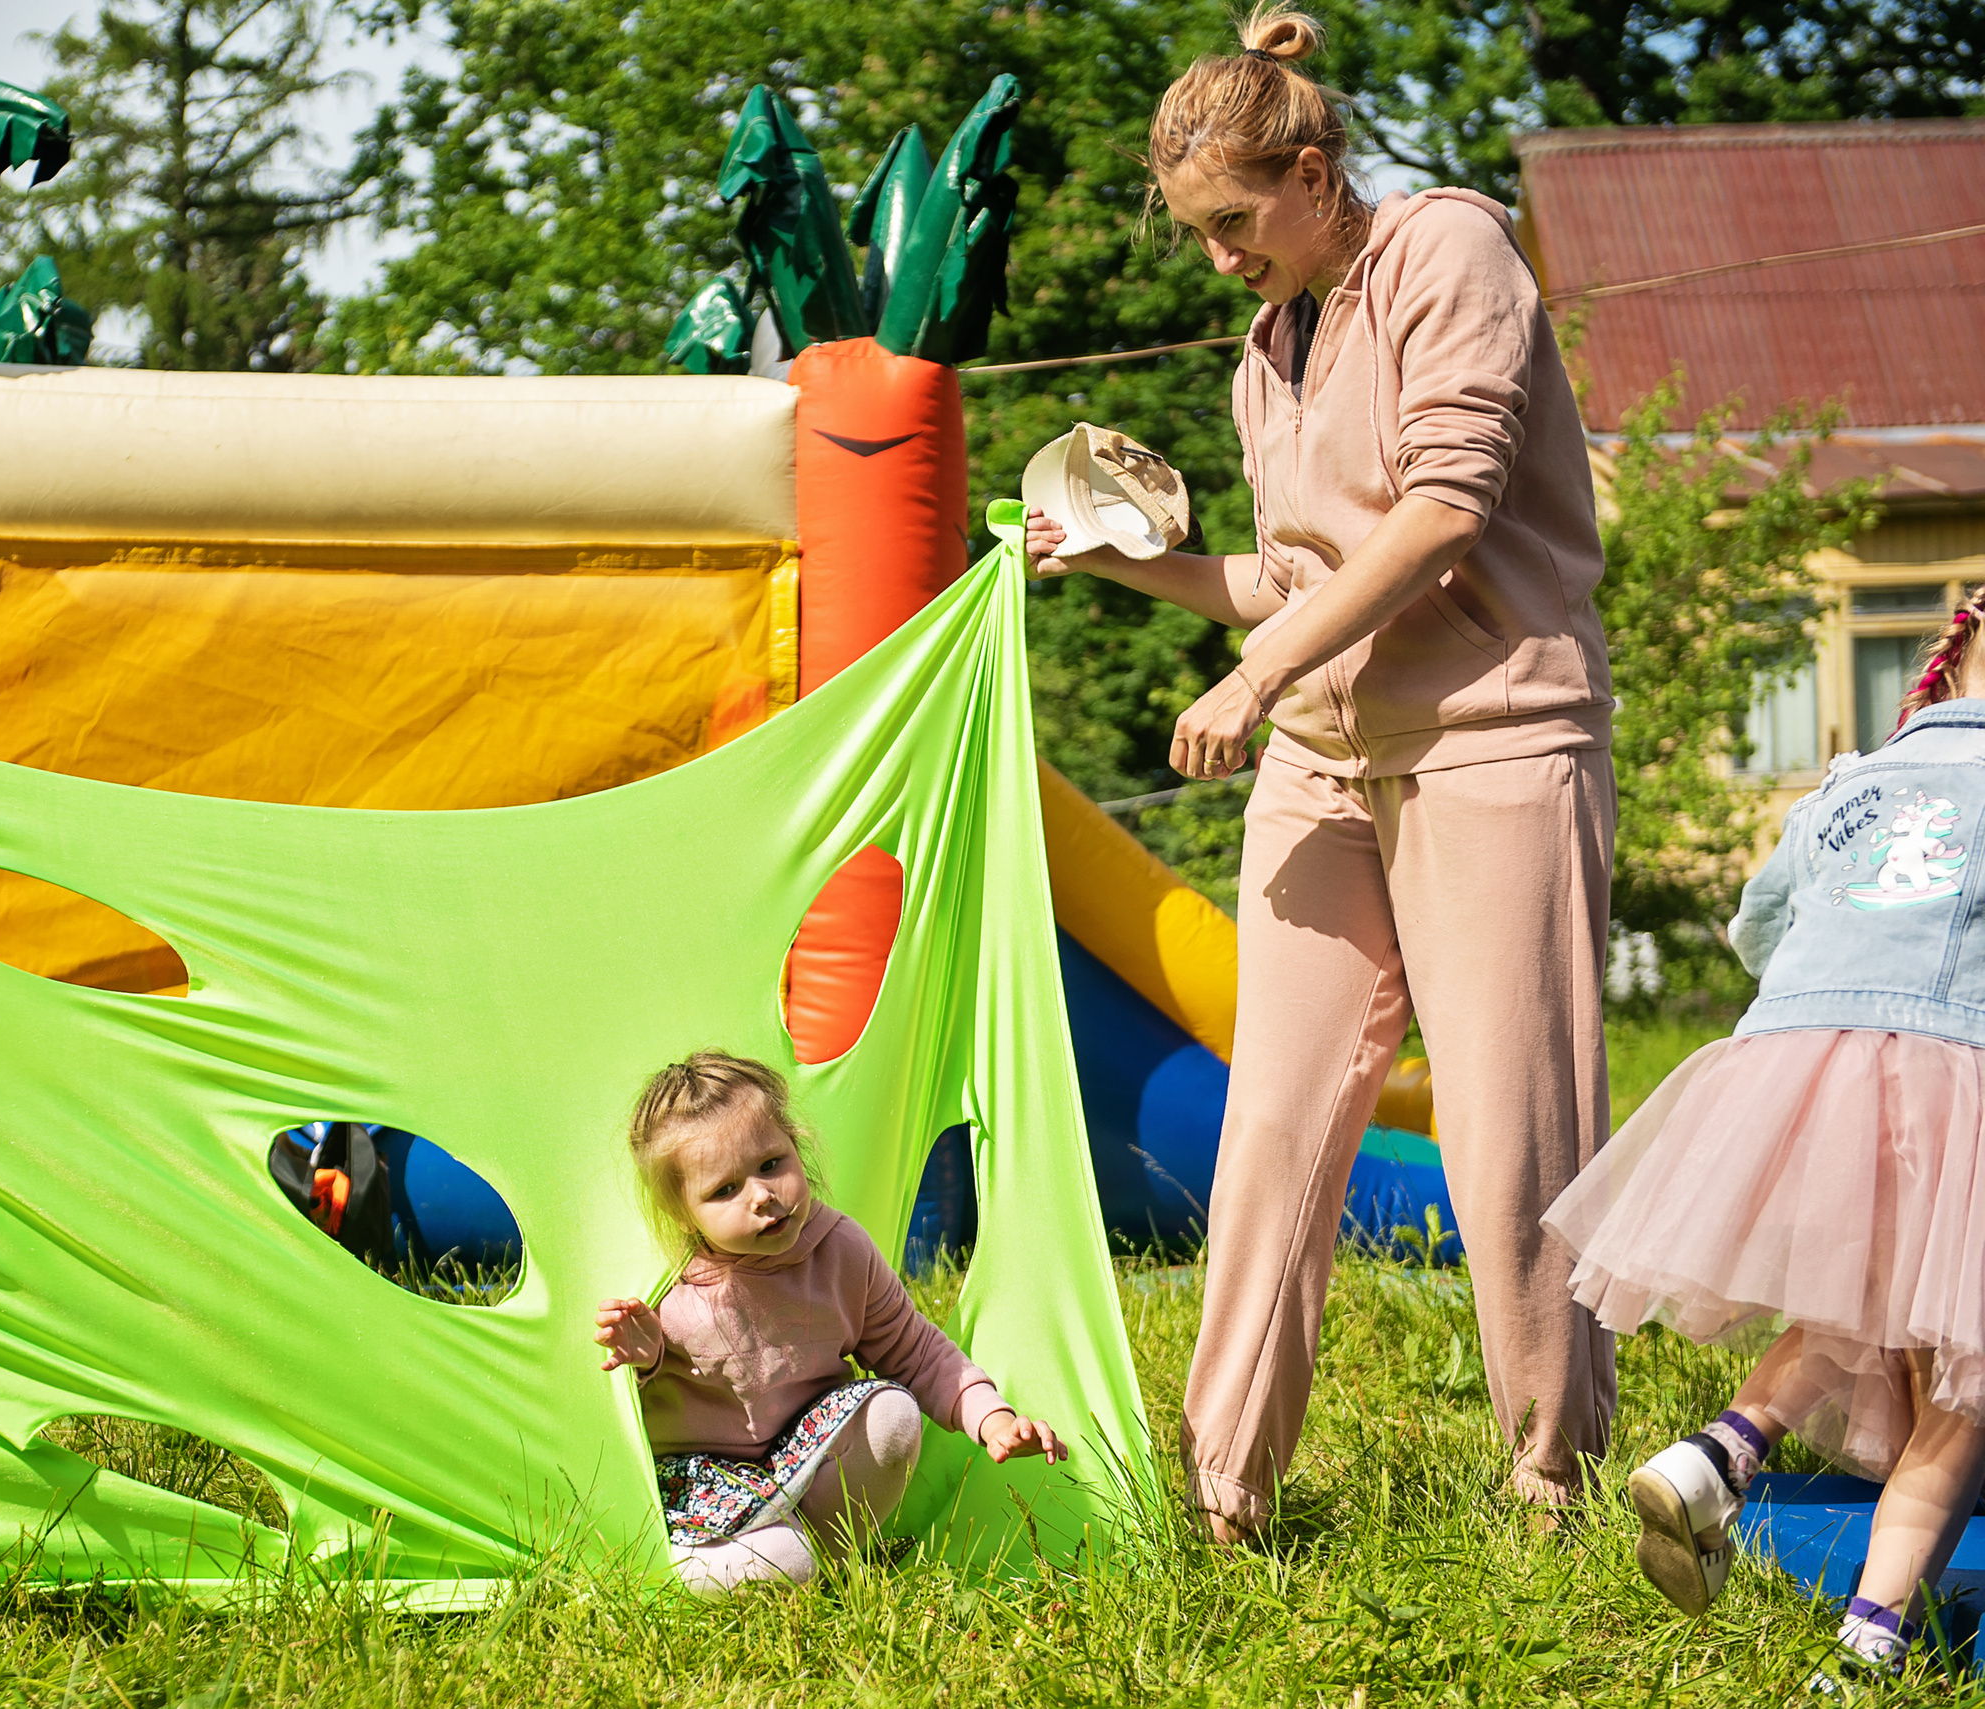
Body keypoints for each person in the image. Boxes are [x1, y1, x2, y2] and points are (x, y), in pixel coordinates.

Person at [1024, 6, 1618, 1539]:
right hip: (1323, 765)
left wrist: (1259, 670)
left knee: (1507, 1137)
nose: (1222, 258)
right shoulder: (1260, 352)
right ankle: (1222, 1494)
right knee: (1270, 1130)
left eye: (1236, 222)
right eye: (1200, 235)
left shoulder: (1447, 251)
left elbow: (1443, 515)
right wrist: (1117, 565)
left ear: (1310, 172)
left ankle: (1552, 1482)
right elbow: (1283, 578)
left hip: (1494, 736)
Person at [1546, 590, 1985, 1681]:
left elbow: (1758, 924)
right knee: (1966, 1373)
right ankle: (1871, 1642)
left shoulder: (1846, 779)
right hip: (1954, 1065)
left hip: (1806, 1062)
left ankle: (1720, 1450)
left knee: (1864, 1305)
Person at [592, 1051, 1067, 1593]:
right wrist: (646, 1358)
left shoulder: (841, 1249)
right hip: (708, 1486)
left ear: (797, 1146)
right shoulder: (668, 1286)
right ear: (682, 1212)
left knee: (892, 1414)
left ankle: (828, 1559)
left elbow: (915, 1351)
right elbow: (616, 1419)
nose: (762, 1195)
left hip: (808, 1459)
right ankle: (744, 1565)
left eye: (771, 1164)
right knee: (780, 1563)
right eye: (725, 1190)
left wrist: (994, 1419)